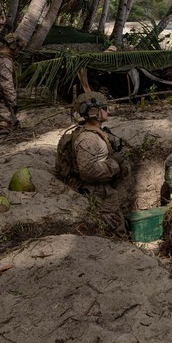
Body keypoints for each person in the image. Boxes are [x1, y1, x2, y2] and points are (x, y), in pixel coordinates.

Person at [55, 91, 129, 239]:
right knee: (115, 235)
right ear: (94, 111)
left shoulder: (95, 132)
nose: (107, 111)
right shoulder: (87, 139)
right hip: (99, 195)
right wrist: (114, 163)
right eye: (104, 108)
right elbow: (88, 171)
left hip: (103, 192)